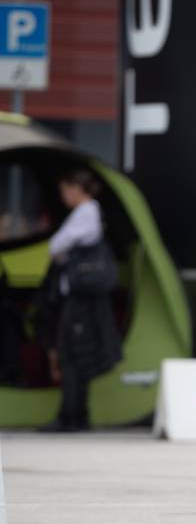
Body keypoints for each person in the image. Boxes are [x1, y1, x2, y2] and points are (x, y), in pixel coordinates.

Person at [39, 169, 121, 431]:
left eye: (65, 190)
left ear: (76, 188)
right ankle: (75, 414)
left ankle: (71, 415)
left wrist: (58, 253)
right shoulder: (87, 212)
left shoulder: (87, 211)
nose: (64, 196)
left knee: (72, 356)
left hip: (82, 300)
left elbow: (57, 245)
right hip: (80, 298)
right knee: (75, 354)